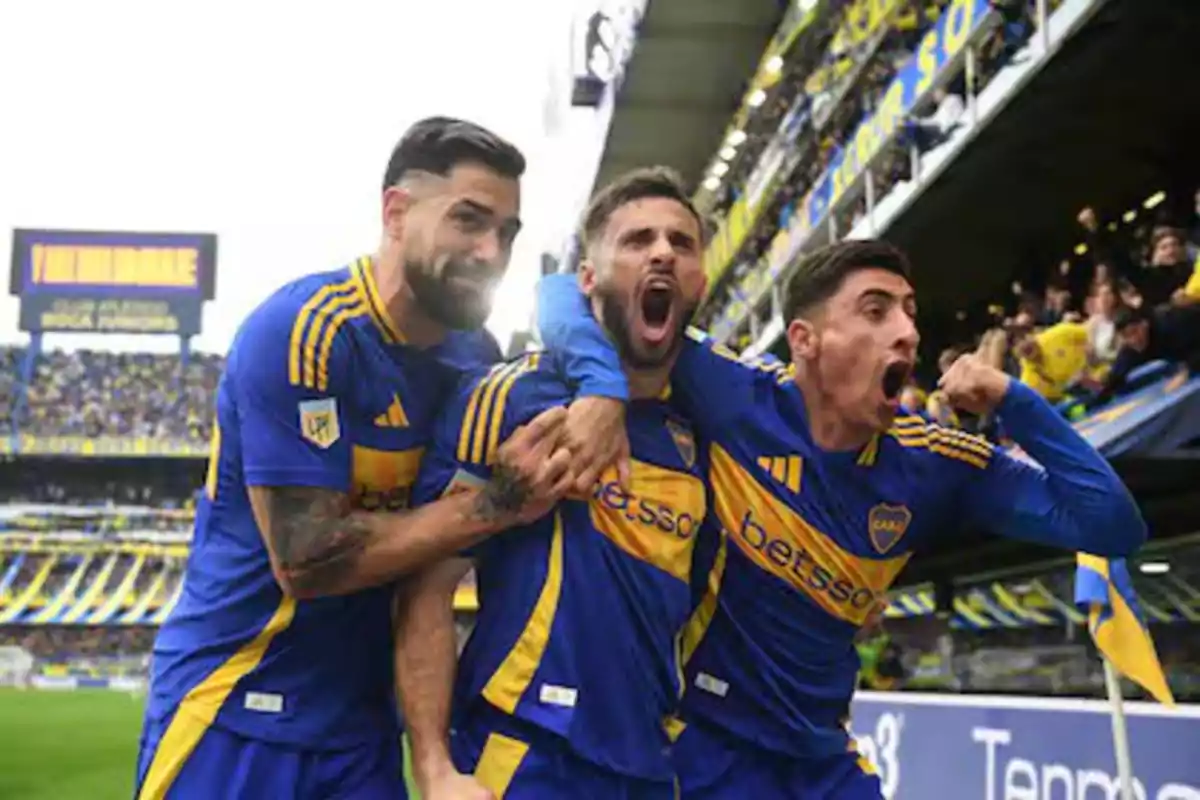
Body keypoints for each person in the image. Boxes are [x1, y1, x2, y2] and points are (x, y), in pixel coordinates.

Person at [537, 238, 1147, 799]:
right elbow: (566, 291)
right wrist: (600, 388)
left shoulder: (934, 461)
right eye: (876, 311)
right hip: (701, 751)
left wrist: (1017, 401)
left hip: (822, 761)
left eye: (910, 311)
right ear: (804, 339)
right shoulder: (734, 393)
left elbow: (1111, 524)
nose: (908, 331)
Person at [134, 117, 618, 800]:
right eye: (469, 220)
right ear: (396, 212)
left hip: (361, 732)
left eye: (506, 232)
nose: (490, 250)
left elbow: (569, 295)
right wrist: (496, 505)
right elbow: (307, 559)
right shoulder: (307, 329)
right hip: (234, 707)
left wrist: (606, 391)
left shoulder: (474, 360)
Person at [395, 167, 714, 800]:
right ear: (587, 280)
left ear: (701, 277)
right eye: (637, 240)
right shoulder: (510, 395)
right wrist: (434, 768)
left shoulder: (707, 424)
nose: (662, 253)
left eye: (682, 243)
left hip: (651, 766)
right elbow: (426, 590)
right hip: (526, 756)